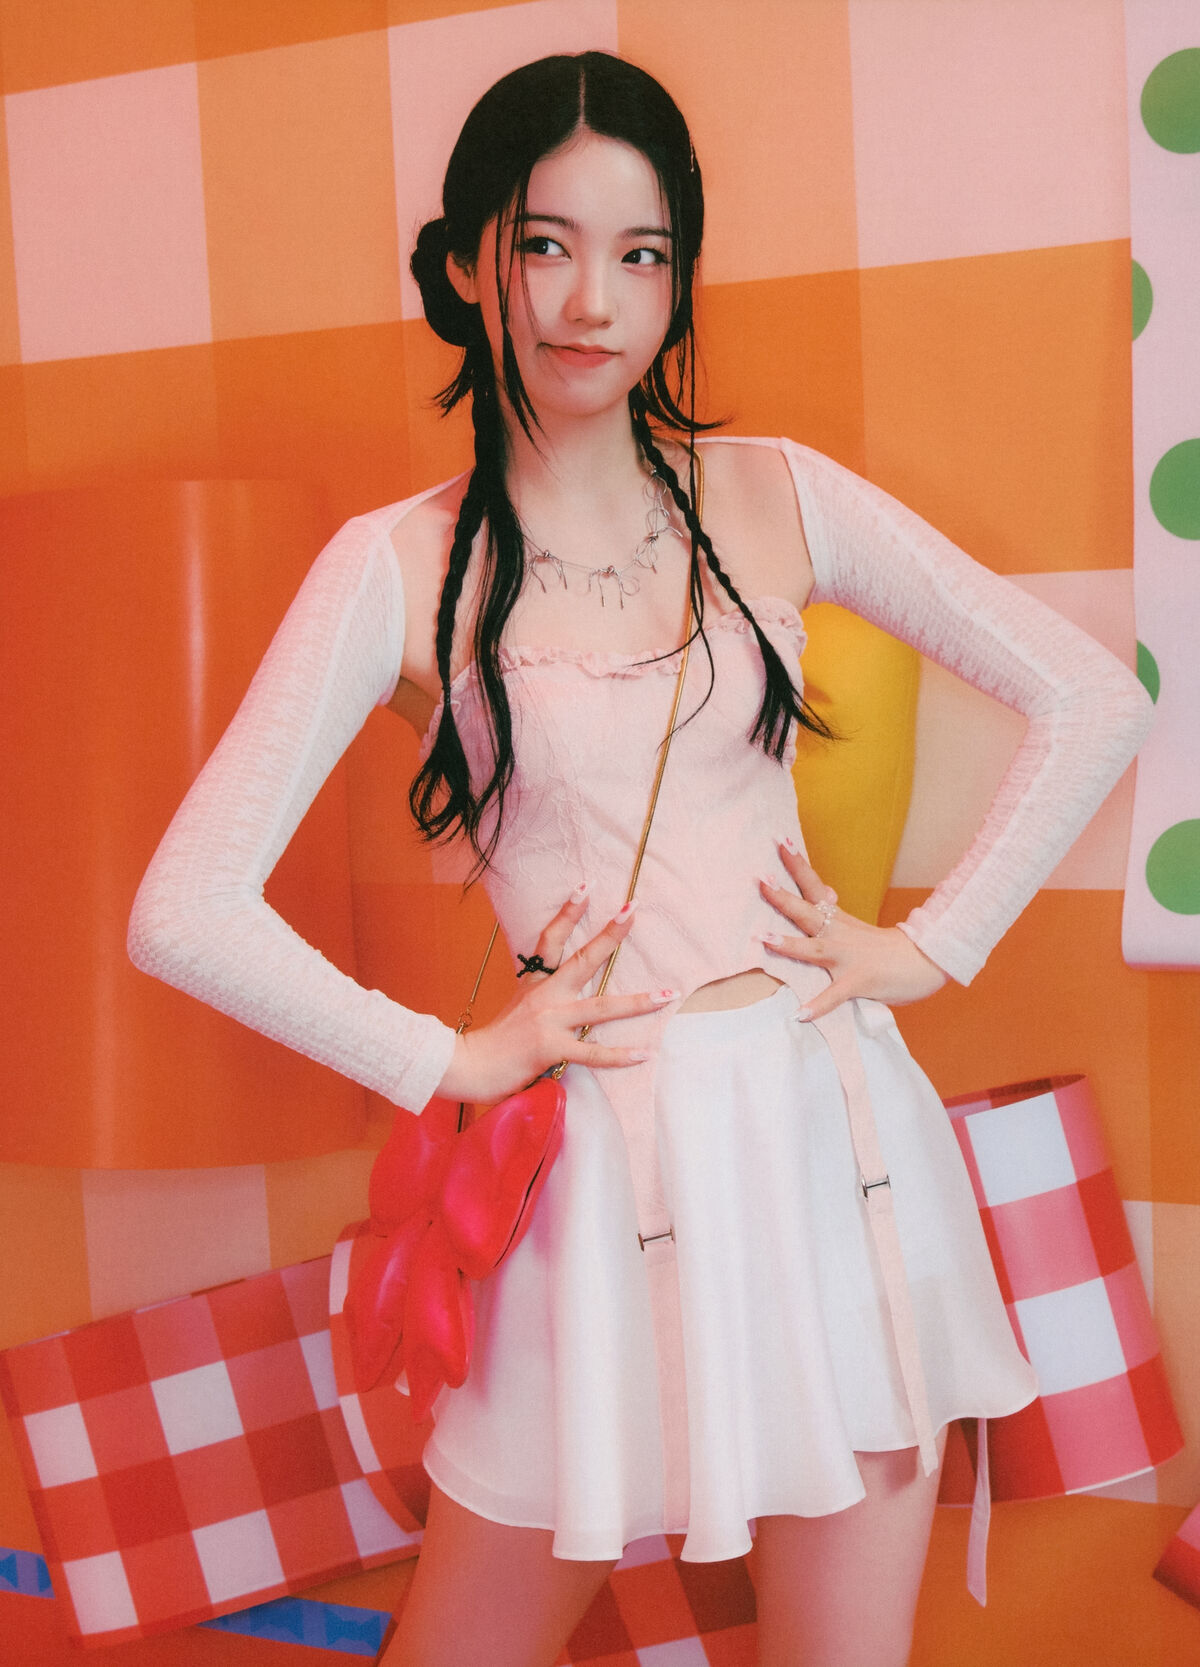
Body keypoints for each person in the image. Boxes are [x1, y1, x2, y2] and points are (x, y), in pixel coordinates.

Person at [127, 51, 1152, 1667]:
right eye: (544, 244)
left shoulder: (776, 492)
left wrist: (928, 949)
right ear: (472, 263)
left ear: (679, 281)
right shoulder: (393, 566)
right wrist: (453, 1057)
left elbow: (1091, 696)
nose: (591, 300)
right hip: (595, 1168)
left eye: (642, 253)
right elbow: (183, 907)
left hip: (833, 1146)